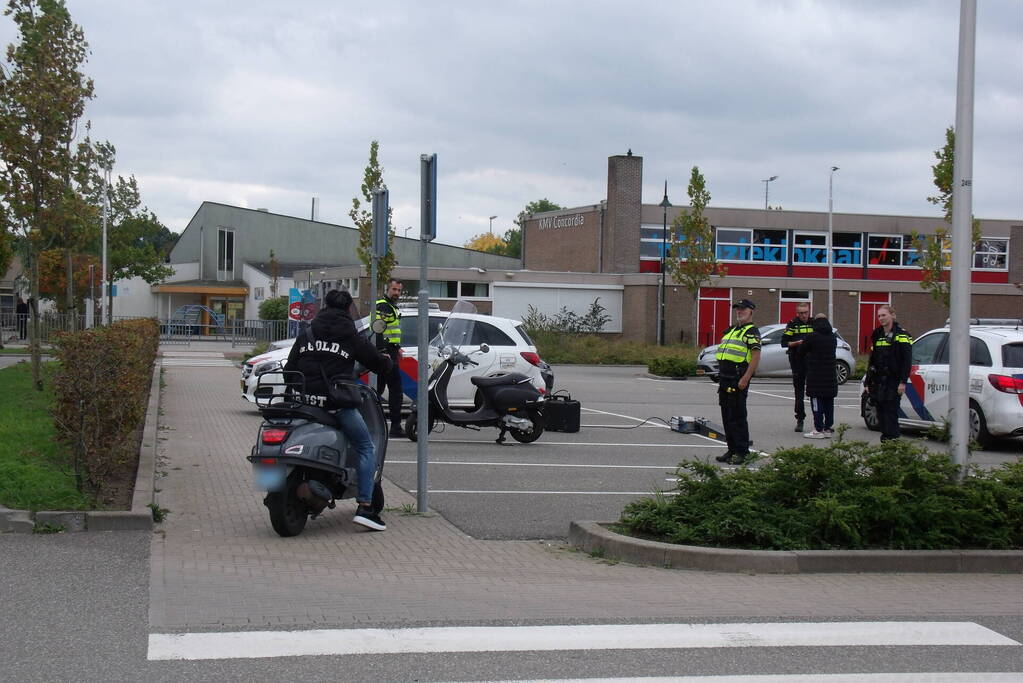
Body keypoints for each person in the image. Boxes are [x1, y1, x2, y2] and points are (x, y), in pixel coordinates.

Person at [284, 289, 393, 531]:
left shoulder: (307, 333)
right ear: (347, 310)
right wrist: (387, 361)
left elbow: (289, 368)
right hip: (336, 406)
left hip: (305, 405)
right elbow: (376, 362)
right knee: (366, 447)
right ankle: (365, 507)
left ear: (324, 307)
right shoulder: (351, 336)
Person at [714, 299, 761, 465]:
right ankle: (732, 449)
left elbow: (755, 356)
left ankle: (742, 451)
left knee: (737, 417)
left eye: (743, 309)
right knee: (727, 417)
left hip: (737, 379)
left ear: (751, 311)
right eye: (738, 309)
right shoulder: (732, 330)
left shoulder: (751, 331)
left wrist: (746, 377)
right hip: (725, 379)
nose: (739, 312)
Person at [865, 304, 913, 442]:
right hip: (879, 382)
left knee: (890, 415)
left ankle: (892, 446)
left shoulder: (902, 335)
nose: (881, 318)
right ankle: (886, 444)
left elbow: (906, 361)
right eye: (879, 316)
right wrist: (868, 381)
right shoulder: (877, 334)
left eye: (884, 315)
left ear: (892, 315)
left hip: (893, 381)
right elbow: (872, 359)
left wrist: (903, 382)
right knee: (881, 415)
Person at [797, 313, 838, 439]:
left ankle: (818, 429)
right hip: (830, 374)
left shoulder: (812, 337)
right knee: (828, 401)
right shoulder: (833, 337)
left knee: (816, 402)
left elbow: (800, 352)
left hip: (815, 375)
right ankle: (827, 428)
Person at [375, 278, 406, 437]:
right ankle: (395, 426)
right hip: (386, 353)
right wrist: (382, 350)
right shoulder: (384, 306)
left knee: (378, 389)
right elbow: (378, 329)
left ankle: (373, 422)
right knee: (395, 390)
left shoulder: (390, 305)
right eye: (394, 290)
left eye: (399, 290)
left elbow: (390, 331)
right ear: (387, 289)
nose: (396, 293)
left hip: (390, 351)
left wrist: (397, 348)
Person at [780, 302, 813, 432]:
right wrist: (797, 343)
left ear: (809, 311)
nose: (803, 315)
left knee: (816, 392)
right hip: (797, 361)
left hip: (812, 361)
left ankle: (820, 421)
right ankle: (800, 419)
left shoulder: (814, 323)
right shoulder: (792, 324)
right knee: (799, 392)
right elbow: (784, 343)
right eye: (800, 313)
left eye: (805, 312)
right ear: (797, 313)